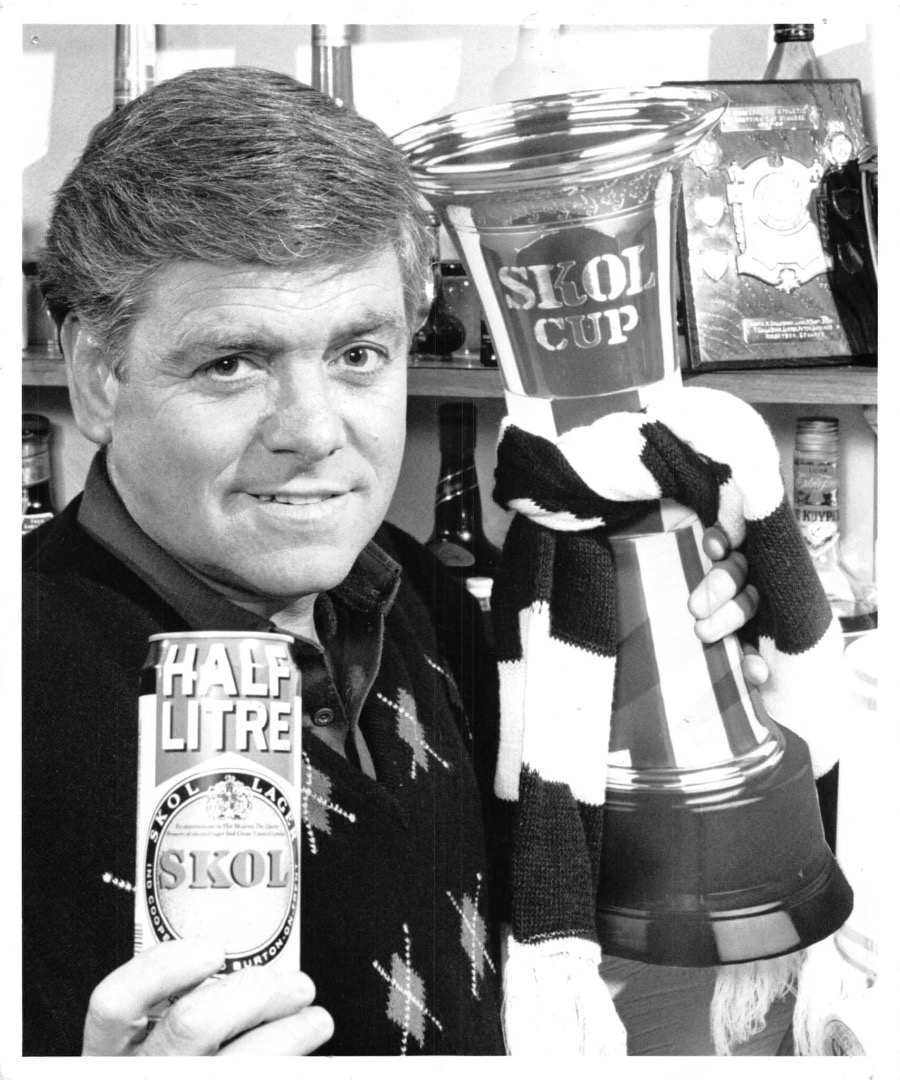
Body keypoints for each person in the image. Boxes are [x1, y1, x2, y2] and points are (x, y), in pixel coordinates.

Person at [23, 65, 763, 1058]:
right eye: (231, 363)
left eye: (357, 355)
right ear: (98, 377)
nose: (313, 430)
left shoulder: (410, 586)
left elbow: (611, 892)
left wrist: (699, 665)